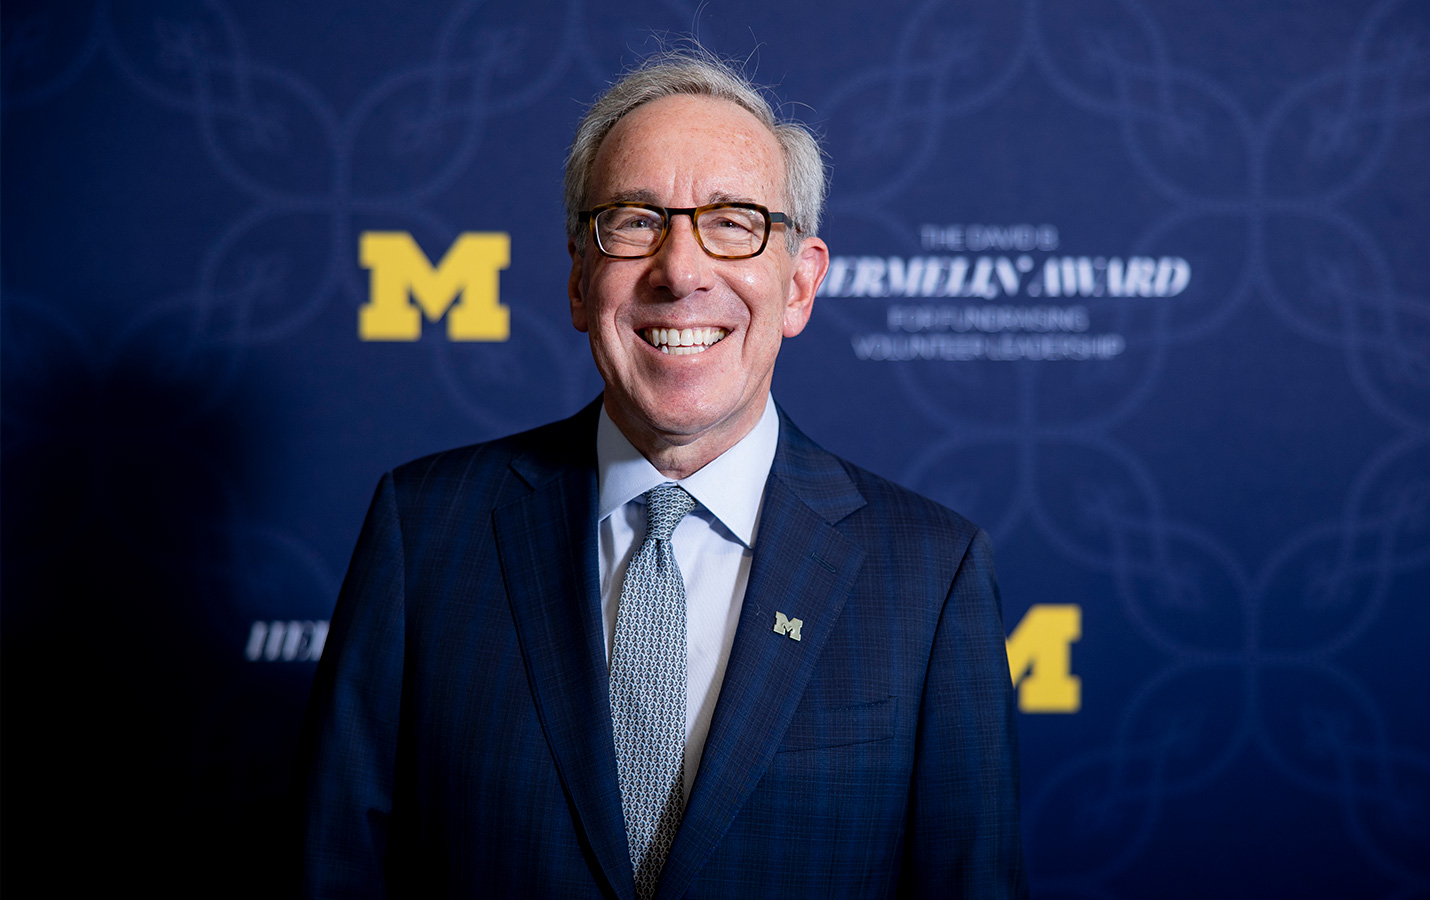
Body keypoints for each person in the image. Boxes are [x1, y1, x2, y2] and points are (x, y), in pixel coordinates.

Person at [297, 47, 1025, 899]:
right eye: (636, 219)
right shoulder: (423, 533)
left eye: (733, 220)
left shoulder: (931, 575)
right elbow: (334, 866)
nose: (681, 270)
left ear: (799, 284)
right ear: (577, 280)